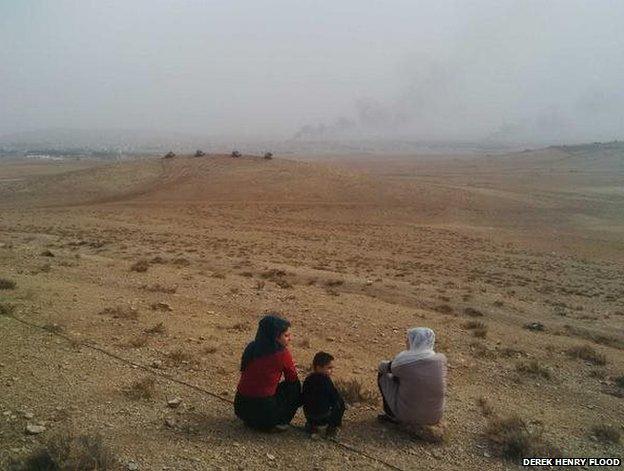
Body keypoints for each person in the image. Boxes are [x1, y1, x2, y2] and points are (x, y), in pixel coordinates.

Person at [234, 314, 301, 431]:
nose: (290, 339)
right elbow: (292, 379)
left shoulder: (252, 347)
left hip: (240, 407)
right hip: (265, 413)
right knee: (294, 386)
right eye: (286, 336)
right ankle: (279, 422)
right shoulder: (282, 354)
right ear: (276, 337)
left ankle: (252, 420)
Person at [377, 327, 447, 430]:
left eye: (408, 339)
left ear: (413, 341)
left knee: (384, 375)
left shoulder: (405, 362)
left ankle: (392, 416)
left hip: (407, 416)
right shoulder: (440, 360)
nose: (406, 342)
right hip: (435, 417)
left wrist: (391, 364)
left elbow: (382, 367)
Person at [302, 351, 345, 439]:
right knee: (340, 403)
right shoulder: (326, 381)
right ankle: (331, 429)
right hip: (322, 417)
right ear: (318, 368)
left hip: (309, 416)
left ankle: (312, 426)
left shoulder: (308, 379)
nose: (331, 371)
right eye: (329, 368)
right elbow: (334, 399)